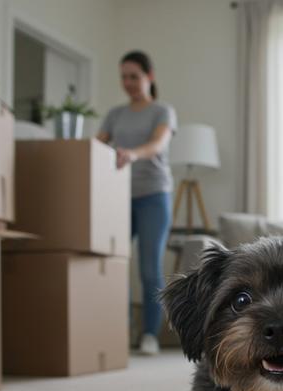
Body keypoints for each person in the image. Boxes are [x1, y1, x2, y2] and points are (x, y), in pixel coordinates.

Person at [96, 51, 177, 356]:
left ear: (149, 77)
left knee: (148, 267)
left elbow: (158, 144)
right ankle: (121, 329)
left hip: (154, 195)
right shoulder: (115, 114)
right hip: (119, 196)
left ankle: (149, 335)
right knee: (117, 263)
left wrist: (131, 153)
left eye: (134, 76)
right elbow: (98, 145)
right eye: (124, 77)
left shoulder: (162, 111)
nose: (128, 83)